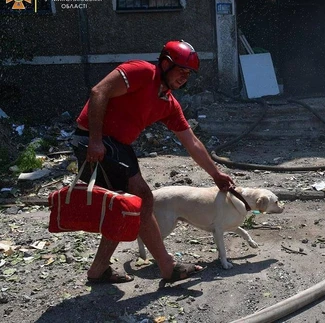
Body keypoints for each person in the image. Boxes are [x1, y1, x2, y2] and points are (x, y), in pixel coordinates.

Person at [71, 40, 235, 284]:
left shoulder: (168, 103)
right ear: (166, 63)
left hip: (118, 147)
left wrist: (216, 174)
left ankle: (99, 269)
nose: (184, 77)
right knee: (142, 199)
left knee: (125, 205)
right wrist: (95, 140)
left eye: (188, 73)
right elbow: (99, 92)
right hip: (95, 139)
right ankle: (166, 267)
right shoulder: (141, 72)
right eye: (181, 70)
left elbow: (192, 142)